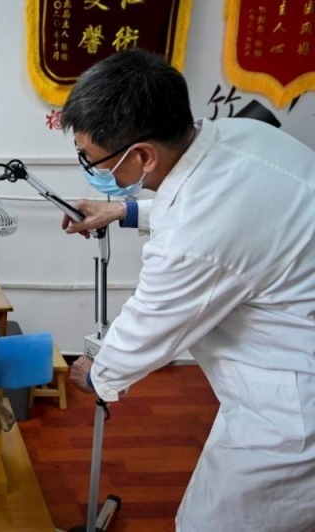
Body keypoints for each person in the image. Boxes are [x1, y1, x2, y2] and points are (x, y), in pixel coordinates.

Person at [60, 49, 315, 531]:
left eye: (92, 160)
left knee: (209, 522)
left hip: (293, 404)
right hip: (292, 349)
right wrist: (123, 210)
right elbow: (228, 212)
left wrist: (97, 372)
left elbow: (149, 322)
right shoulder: (245, 134)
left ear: (142, 156)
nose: (89, 169)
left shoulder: (192, 240)